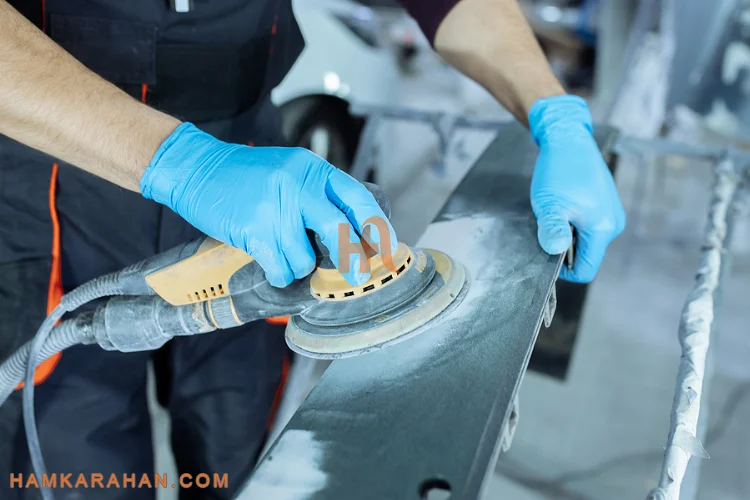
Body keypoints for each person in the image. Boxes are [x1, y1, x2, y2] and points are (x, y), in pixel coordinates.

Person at [0, 0, 625, 498]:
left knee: (241, 455)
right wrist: (178, 162)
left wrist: (552, 109)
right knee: (76, 463)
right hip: (59, 170)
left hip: (252, 162)